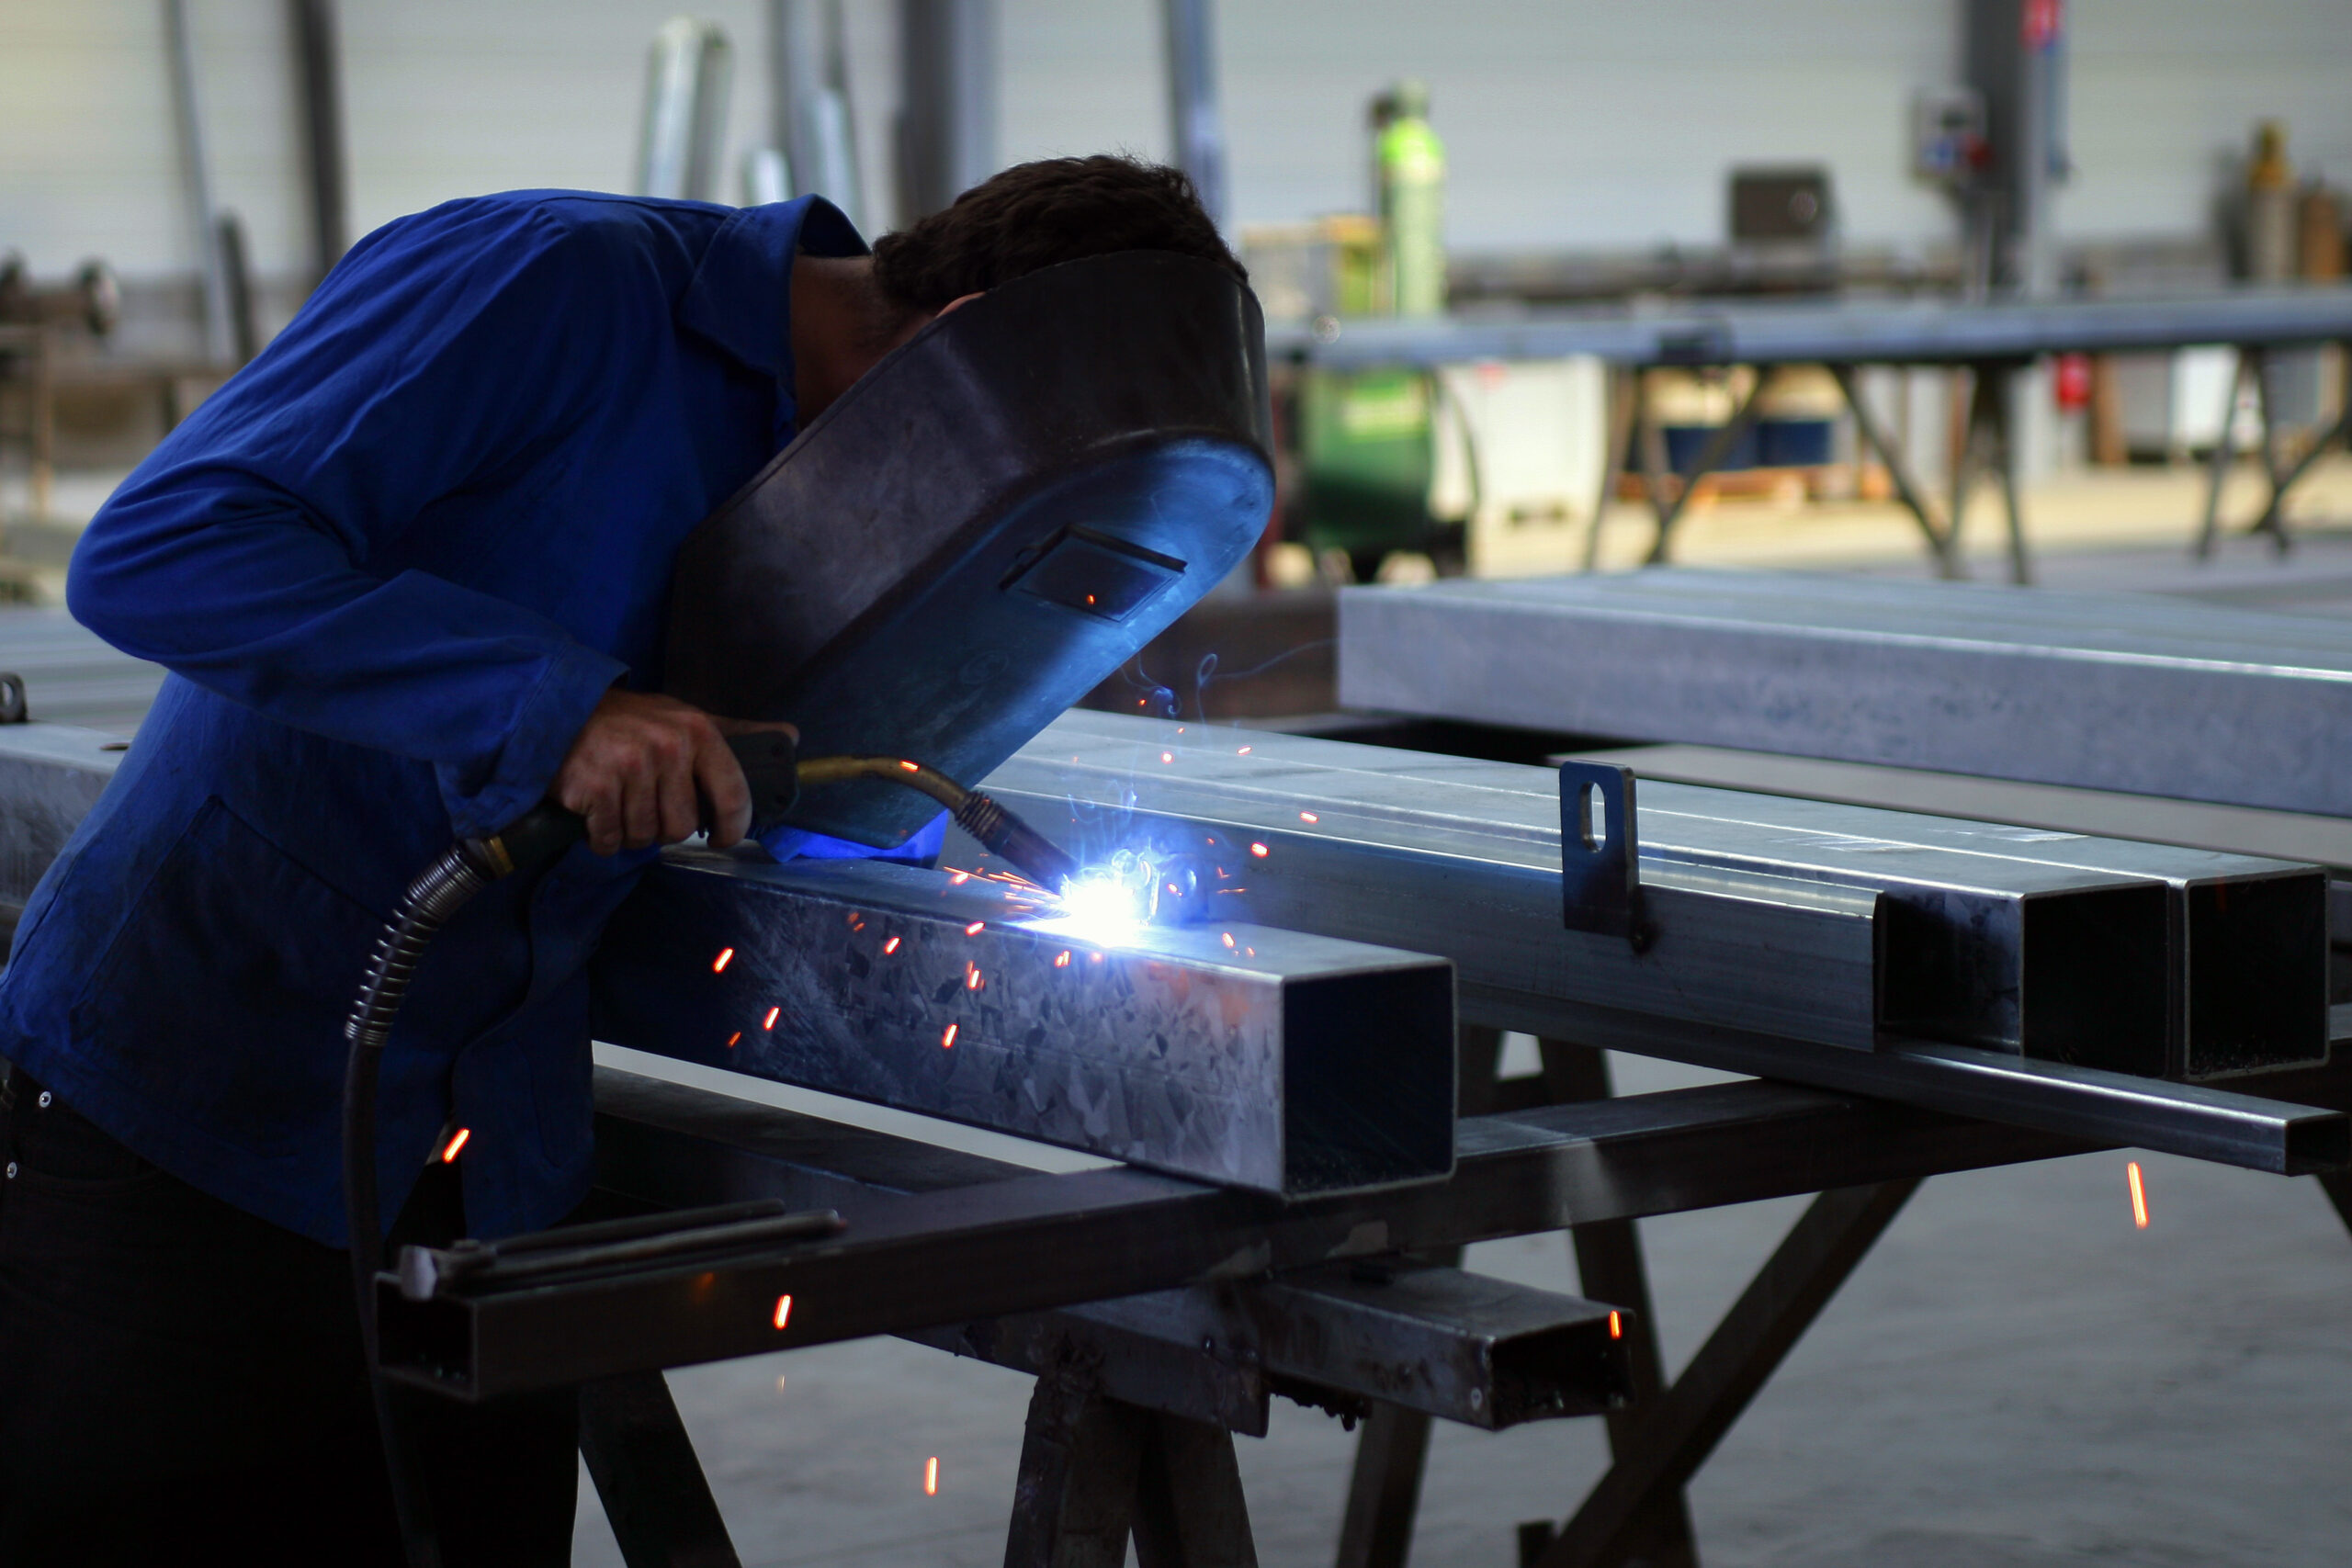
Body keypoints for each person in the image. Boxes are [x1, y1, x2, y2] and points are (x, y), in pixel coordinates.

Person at [0, 154, 1244, 1565]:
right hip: (190, 1113)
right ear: (952, 336)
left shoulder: (850, 476)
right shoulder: (551, 282)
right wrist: (555, 708)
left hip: (487, 1189)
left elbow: (793, 788)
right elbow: (158, 550)